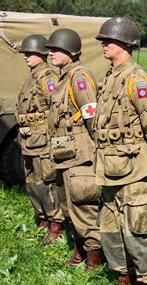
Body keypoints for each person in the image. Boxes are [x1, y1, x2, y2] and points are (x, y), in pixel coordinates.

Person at [93, 17, 147, 285]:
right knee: (111, 232)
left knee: (139, 237)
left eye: (108, 40)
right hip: (109, 172)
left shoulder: (137, 80)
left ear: (126, 44)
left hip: (135, 174)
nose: (103, 44)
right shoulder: (110, 77)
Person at [45, 28, 102, 270]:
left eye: (57, 49)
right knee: (69, 206)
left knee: (83, 207)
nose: (51, 54)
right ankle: (81, 250)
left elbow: (92, 116)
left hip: (80, 157)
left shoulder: (79, 78)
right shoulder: (64, 77)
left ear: (70, 51)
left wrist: (96, 149)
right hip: (65, 156)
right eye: (50, 49)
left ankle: (95, 259)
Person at [15, 34, 64, 240]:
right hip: (28, 138)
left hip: (42, 139)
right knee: (32, 181)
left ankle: (56, 222)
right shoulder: (32, 76)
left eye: (30, 53)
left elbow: (55, 109)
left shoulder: (48, 78)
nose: (26, 57)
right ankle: (42, 216)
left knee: (47, 180)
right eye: (25, 53)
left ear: (41, 55)